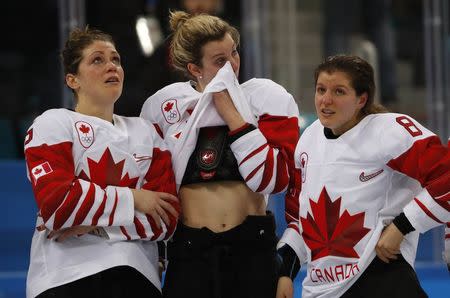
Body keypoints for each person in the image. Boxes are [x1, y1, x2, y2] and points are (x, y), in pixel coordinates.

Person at [140, 11, 301, 298]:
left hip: (252, 250)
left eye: (234, 53)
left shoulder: (268, 98)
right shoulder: (162, 108)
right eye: (220, 61)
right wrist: (158, 255)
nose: (232, 65)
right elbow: (152, 189)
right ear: (193, 68)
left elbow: (273, 181)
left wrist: (230, 111)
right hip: (190, 253)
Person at [24, 27, 180, 298]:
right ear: (73, 80)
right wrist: (135, 198)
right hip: (64, 277)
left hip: (136, 276)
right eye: (97, 60)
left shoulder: (147, 132)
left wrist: (91, 222)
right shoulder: (53, 124)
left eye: (116, 60)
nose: (111, 66)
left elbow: (165, 219)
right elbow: (58, 205)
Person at [276, 54, 449, 298]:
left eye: (339, 92)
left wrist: (402, 225)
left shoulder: (389, 131)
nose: (325, 100)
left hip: (382, 278)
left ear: (362, 99)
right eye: (321, 89)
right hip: (320, 288)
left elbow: (446, 176)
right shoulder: (308, 140)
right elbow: (300, 219)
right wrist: (286, 271)